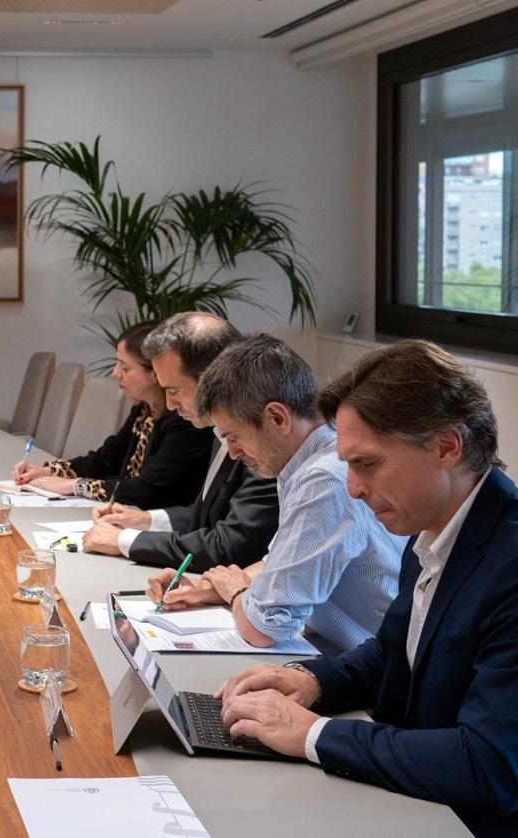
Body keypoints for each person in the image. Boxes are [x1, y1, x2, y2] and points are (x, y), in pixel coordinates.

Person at [216, 340, 518, 836]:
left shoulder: (508, 564)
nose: (352, 487)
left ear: (446, 446)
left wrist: (314, 733)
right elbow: (391, 652)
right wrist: (313, 682)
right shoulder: (432, 530)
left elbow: (487, 764)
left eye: (368, 464)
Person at [145, 336, 404, 652]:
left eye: (235, 437)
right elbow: (280, 563)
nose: (234, 454)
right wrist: (208, 587)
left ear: (277, 418)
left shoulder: (323, 478)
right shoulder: (304, 460)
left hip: (367, 677)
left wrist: (236, 592)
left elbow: (265, 630)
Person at [82, 312, 278, 571]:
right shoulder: (217, 430)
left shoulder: (262, 437)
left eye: (174, 391)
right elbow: (206, 517)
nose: (171, 405)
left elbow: (232, 545)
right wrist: (145, 520)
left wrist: (125, 540)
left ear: (216, 378)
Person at [11, 321, 213, 509]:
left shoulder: (186, 422)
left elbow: (145, 490)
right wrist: (47, 471)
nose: (116, 373)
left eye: (125, 367)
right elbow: (104, 460)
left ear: (155, 373)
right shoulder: (144, 411)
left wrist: (72, 486)